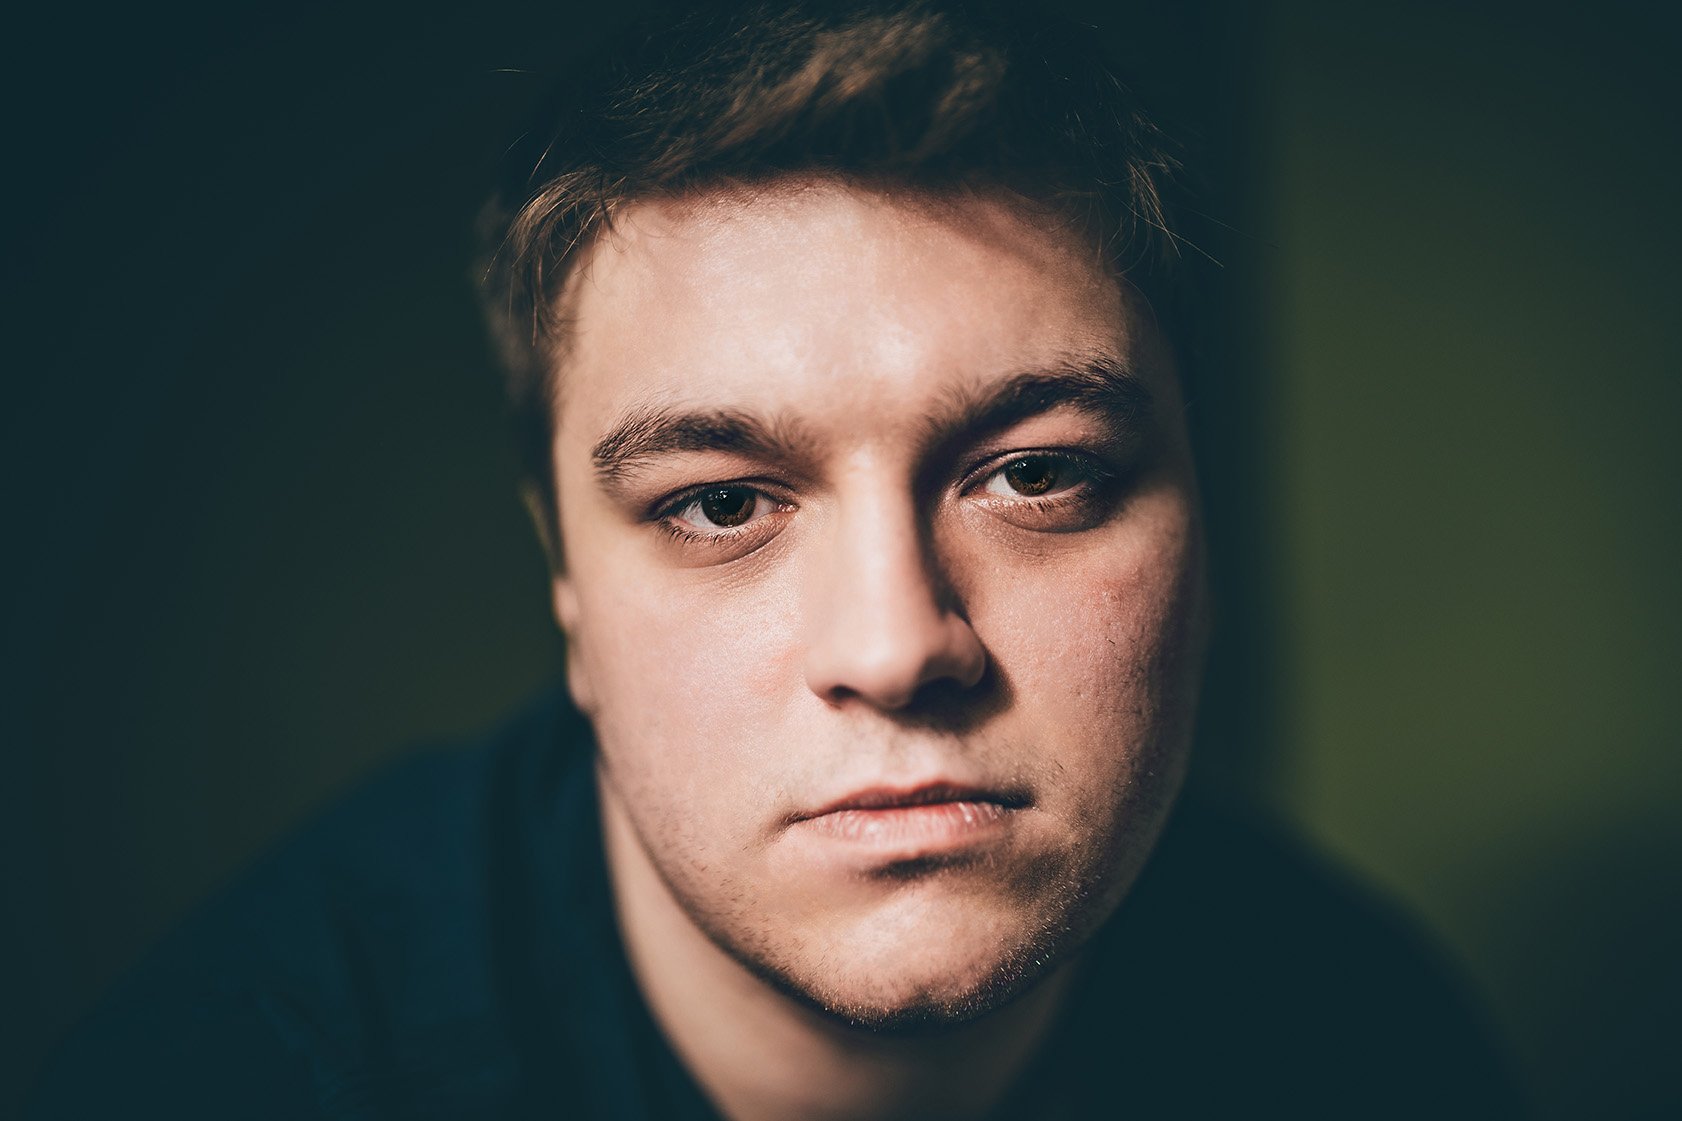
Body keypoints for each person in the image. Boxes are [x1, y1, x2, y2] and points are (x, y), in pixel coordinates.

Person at [27, 2, 1526, 1118]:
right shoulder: (246, 1067)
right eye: (720, 503)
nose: (894, 644)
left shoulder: (1353, 1030)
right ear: (564, 584)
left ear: (1204, 530)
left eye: (1037, 472)